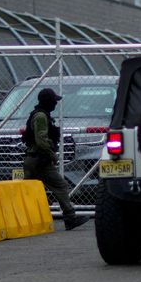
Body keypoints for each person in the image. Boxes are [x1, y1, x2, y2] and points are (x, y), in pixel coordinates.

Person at [23, 88, 90, 231]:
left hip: (33, 159)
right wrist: (52, 154)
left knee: (29, 191)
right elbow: (41, 140)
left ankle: (27, 220)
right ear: (49, 102)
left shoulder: (40, 115)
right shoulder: (41, 116)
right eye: (54, 101)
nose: (55, 104)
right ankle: (70, 217)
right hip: (39, 160)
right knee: (60, 185)